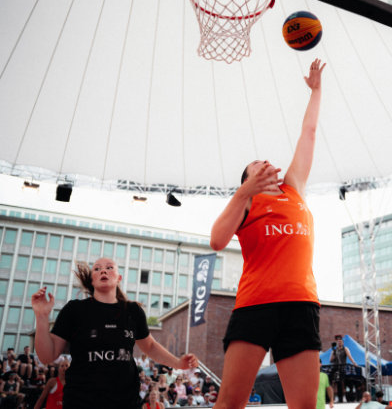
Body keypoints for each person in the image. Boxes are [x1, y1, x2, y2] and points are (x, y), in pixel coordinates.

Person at [209, 59, 326, 409]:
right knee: (231, 403)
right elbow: (216, 240)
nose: (266, 164)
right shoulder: (246, 204)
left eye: (266, 162)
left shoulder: (295, 189)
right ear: (247, 179)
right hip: (255, 306)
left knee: (305, 406)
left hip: (301, 305)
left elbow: (309, 134)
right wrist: (244, 191)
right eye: (256, 165)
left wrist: (316, 90)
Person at [31, 258, 198, 408]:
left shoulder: (133, 311)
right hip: (81, 401)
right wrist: (41, 316)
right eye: (97, 269)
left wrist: (178, 363)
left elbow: (151, 346)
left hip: (125, 401)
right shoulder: (75, 309)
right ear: (92, 280)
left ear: (119, 278)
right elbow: (47, 356)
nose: (103, 270)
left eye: (109, 267)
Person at [330, 334, 357, 403]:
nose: (339, 343)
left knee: (342, 382)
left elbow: (349, 356)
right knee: (334, 381)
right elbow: (331, 360)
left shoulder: (345, 348)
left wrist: (354, 362)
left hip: (342, 367)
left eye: (341, 342)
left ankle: (343, 397)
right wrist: (333, 352)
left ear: (343, 342)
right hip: (336, 367)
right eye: (338, 342)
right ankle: (335, 397)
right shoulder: (335, 350)